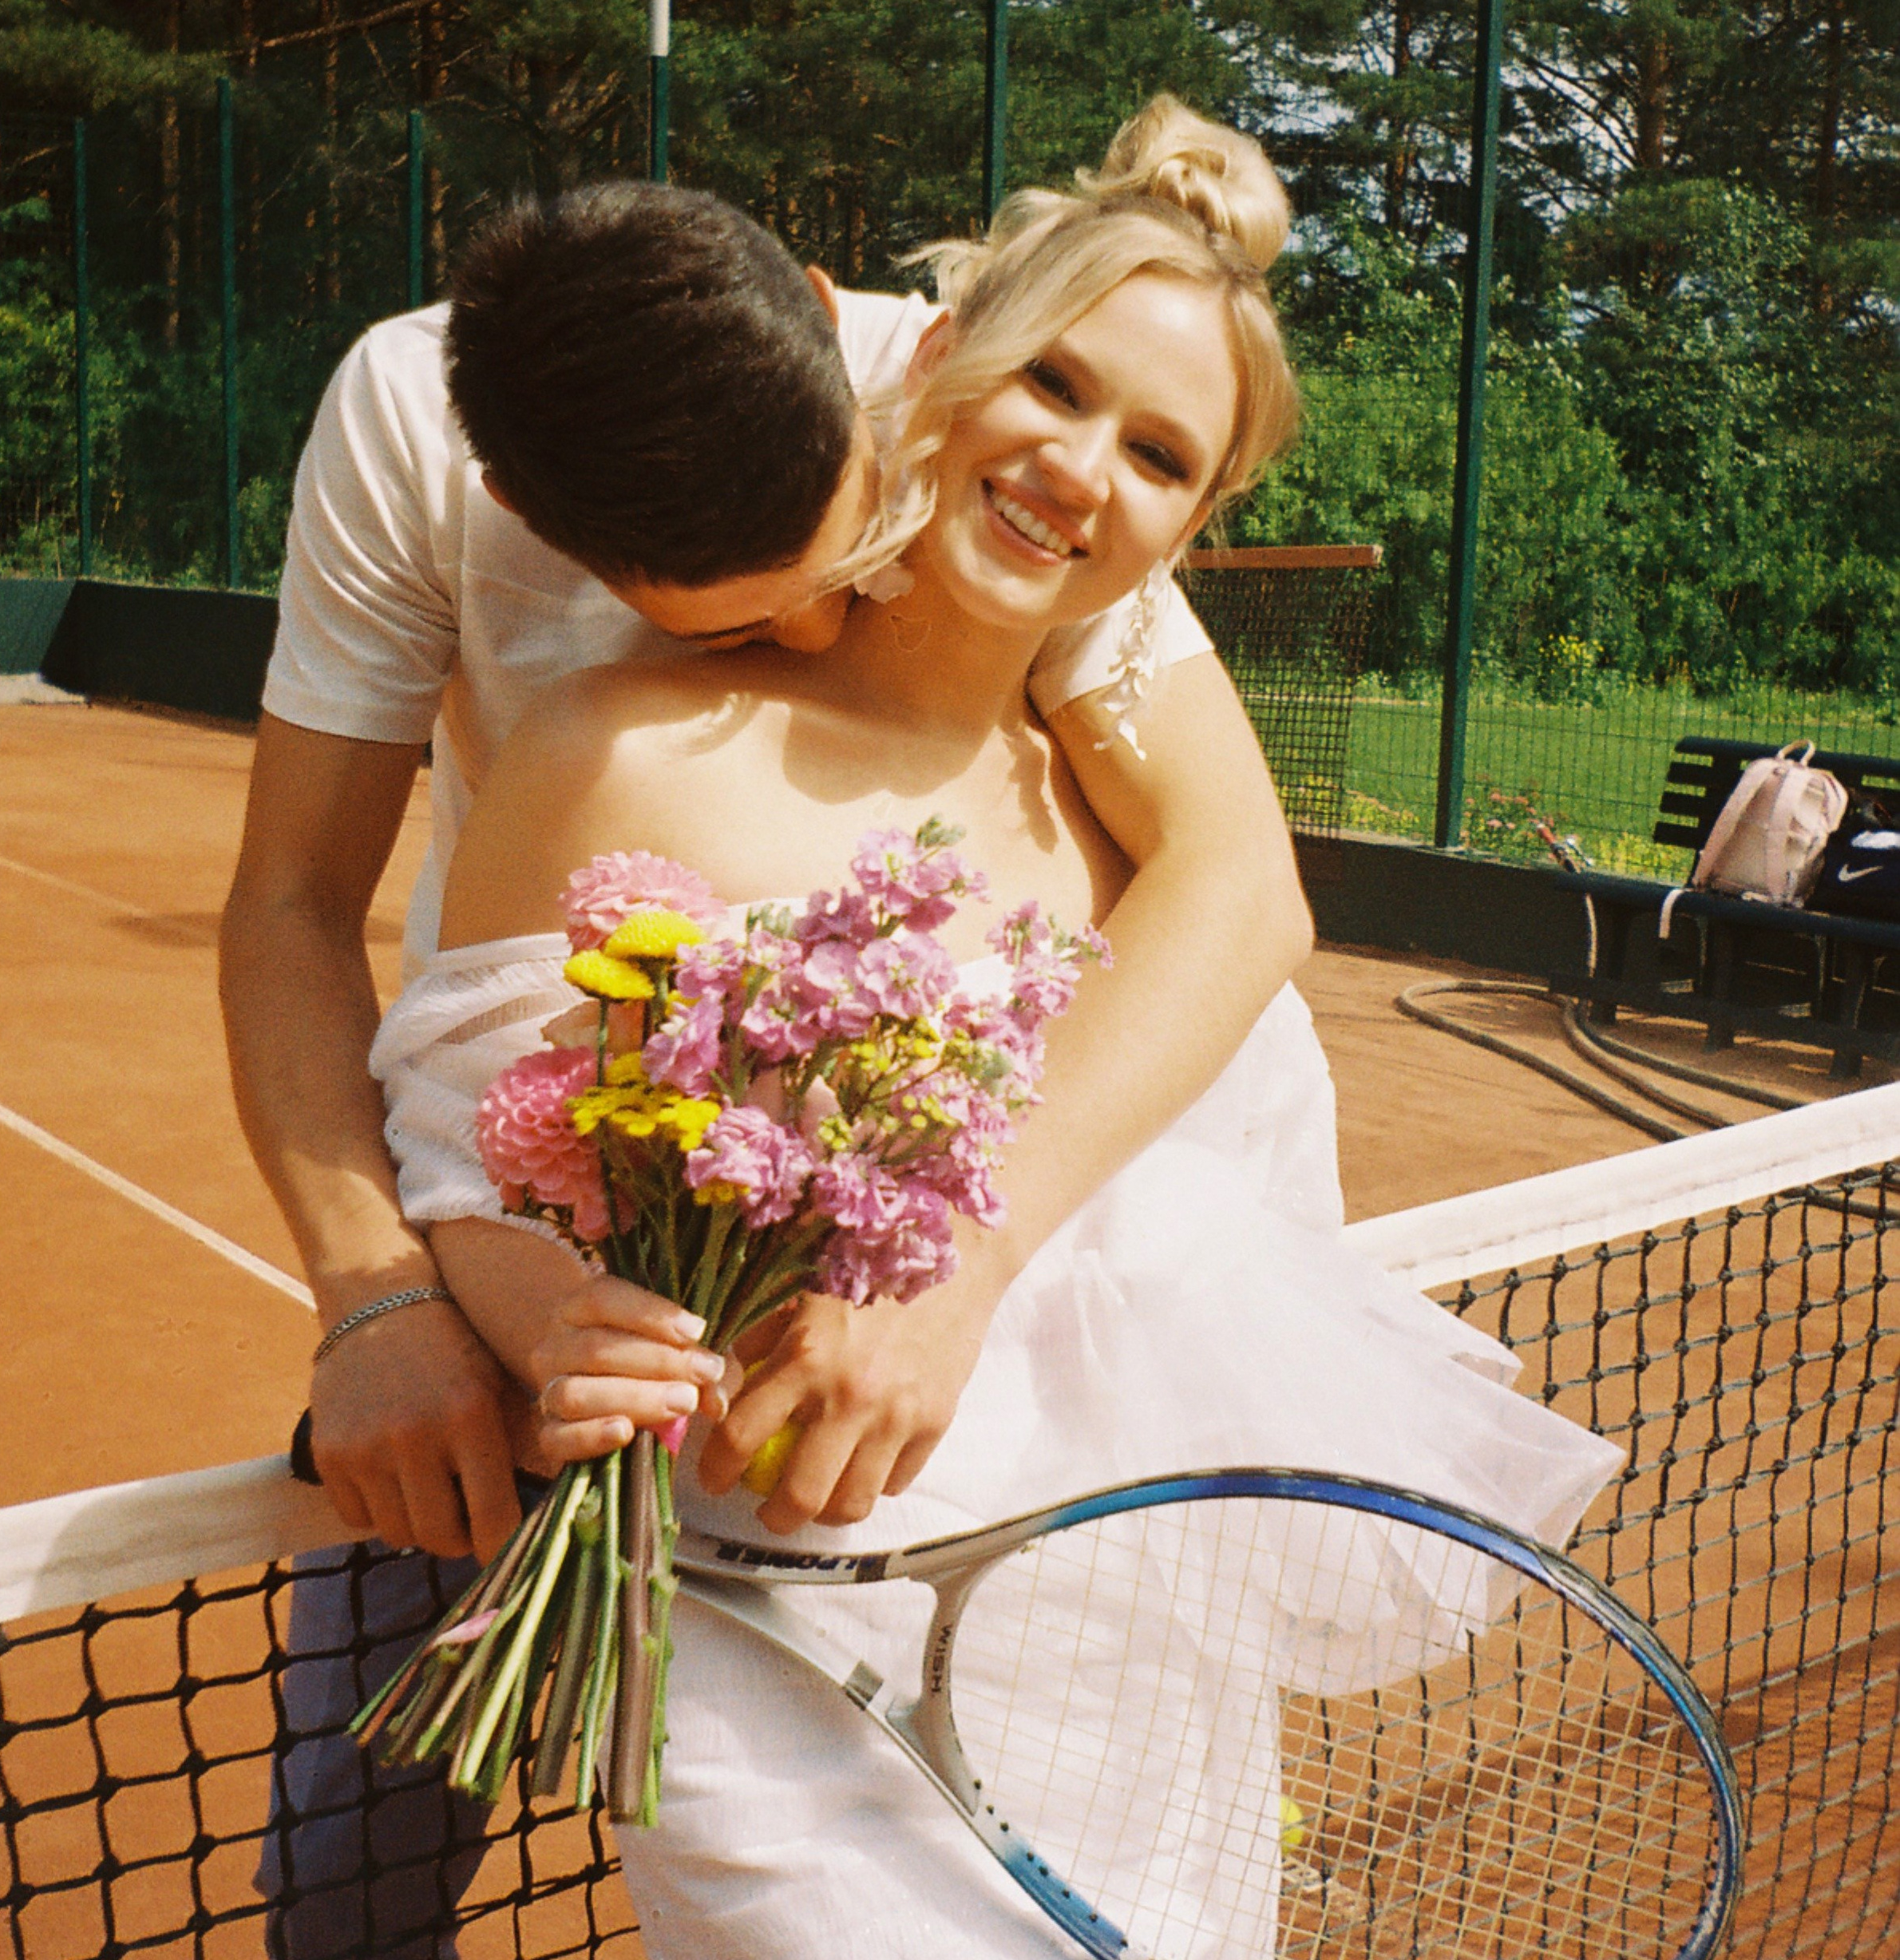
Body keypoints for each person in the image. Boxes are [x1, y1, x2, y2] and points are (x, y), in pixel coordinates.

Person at [367, 97, 1624, 1959]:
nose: (1080, 464)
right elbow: (465, 1149)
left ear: (1190, 526)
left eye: (1161, 453)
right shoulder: (607, 744)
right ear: (936, 358)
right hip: (759, 1636)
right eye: (1055, 381)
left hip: (1119, 1650)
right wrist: (560, 1324)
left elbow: (1229, 1238)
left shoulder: (1133, 855)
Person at [236, 152, 1310, 1958]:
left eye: (833, 568)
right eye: (735, 615)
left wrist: (955, 1263)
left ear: (858, 341)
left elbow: (1237, 877)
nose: (816, 631)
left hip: (892, 1415)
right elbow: (289, 903)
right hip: (515, 1170)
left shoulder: (1003, 400)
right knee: (356, 1859)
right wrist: (388, 1293)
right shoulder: (416, 445)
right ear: (522, 509)